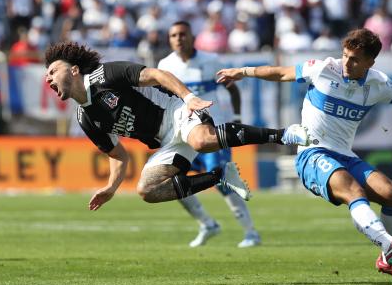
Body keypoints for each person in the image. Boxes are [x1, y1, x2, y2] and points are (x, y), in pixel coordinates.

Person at [217, 28, 392, 281]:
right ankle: (389, 245)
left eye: (354, 59)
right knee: (353, 191)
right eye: (346, 56)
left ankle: (388, 260)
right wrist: (242, 71)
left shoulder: (379, 84)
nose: (346, 63)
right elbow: (280, 73)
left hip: (345, 155)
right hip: (311, 153)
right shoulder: (324, 68)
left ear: (370, 62)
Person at [43, 41, 312, 211]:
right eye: (46, 76)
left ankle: (284, 134)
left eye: (53, 71)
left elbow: (158, 75)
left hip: (177, 111)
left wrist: (188, 97)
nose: (49, 79)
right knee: (147, 191)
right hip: (166, 142)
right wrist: (111, 189)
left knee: (201, 141)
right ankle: (220, 176)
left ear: (75, 70)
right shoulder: (85, 118)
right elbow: (118, 155)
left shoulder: (107, 75)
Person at [158, 22, 261, 248]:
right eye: (173, 35)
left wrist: (235, 119)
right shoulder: (165, 65)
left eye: (182, 34)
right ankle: (207, 224)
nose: (178, 38)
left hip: (214, 132)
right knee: (172, 181)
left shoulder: (210, 60)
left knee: (222, 180)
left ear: (192, 36)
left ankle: (251, 232)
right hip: (184, 134)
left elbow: (231, 88)